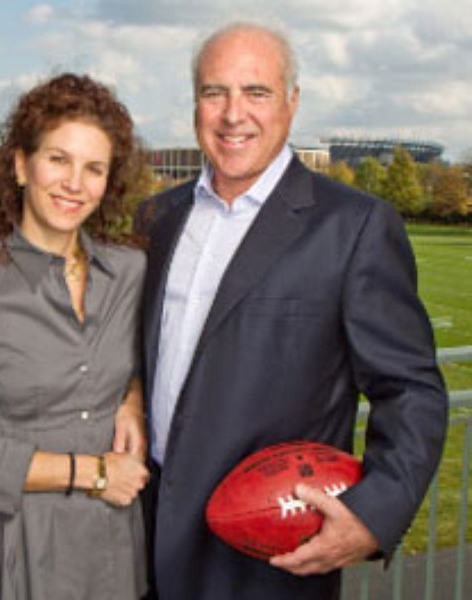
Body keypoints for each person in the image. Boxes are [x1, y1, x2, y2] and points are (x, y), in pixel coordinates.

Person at [136, 22, 448, 600]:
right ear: (195, 103)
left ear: (292, 102)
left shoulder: (353, 226)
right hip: (138, 542)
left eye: (256, 92)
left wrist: (373, 514)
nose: (233, 114)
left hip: (265, 561)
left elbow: (410, 390)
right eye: (214, 92)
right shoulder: (156, 218)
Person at [0, 73, 150, 600]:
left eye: (93, 168)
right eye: (58, 159)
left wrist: (133, 395)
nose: (74, 183)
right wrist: (94, 473)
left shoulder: (132, 273)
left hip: (109, 550)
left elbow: (160, 357)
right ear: (22, 165)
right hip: (9, 546)